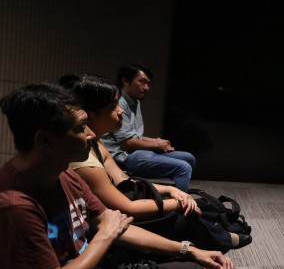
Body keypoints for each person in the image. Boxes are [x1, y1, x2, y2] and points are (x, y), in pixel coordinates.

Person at [0, 82, 235, 269]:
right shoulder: (16, 205)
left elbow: (118, 228)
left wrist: (188, 249)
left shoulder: (64, 174)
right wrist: (104, 237)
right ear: (44, 140)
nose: (92, 135)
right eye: (81, 127)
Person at [58, 73, 249, 250]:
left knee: (188, 178)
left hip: (124, 200)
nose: (119, 111)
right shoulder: (84, 161)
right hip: (117, 214)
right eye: (112, 107)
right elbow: (126, 206)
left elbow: (126, 182)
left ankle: (213, 230)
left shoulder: (97, 145)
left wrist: (169, 190)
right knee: (183, 205)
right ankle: (214, 236)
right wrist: (177, 201)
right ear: (88, 116)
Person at [101, 62, 196, 190]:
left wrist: (155, 141)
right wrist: (156, 145)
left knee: (189, 158)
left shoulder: (135, 100)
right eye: (142, 82)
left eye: (148, 83)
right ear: (125, 81)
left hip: (135, 152)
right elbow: (127, 143)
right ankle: (177, 206)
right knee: (183, 168)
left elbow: (134, 135)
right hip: (123, 158)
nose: (147, 87)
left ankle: (166, 195)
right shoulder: (120, 102)